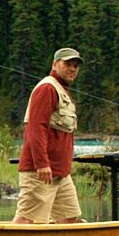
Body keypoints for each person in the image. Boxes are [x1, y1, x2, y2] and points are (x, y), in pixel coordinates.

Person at [13, 47, 85, 224]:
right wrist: (42, 163)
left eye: (76, 66)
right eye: (67, 64)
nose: (72, 69)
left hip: (60, 172)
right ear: (55, 64)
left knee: (69, 218)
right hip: (41, 172)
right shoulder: (47, 88)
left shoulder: (61, 90)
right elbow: (36, 129)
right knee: (26, 220)